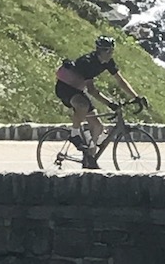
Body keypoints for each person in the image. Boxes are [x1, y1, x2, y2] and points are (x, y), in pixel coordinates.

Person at [55, 35, 147, 169]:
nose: (110, 53)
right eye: (107, 51)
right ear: (100, 51)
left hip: (78, 89)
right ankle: (74, 134)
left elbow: (120, 81)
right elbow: (92, 90)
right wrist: (109, 103)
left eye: (112, 50)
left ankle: (89, 160)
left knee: (98, 126)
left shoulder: (108, 62)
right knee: (82, 105)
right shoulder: (88, 62)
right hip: (65, 87)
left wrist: (136, 96)